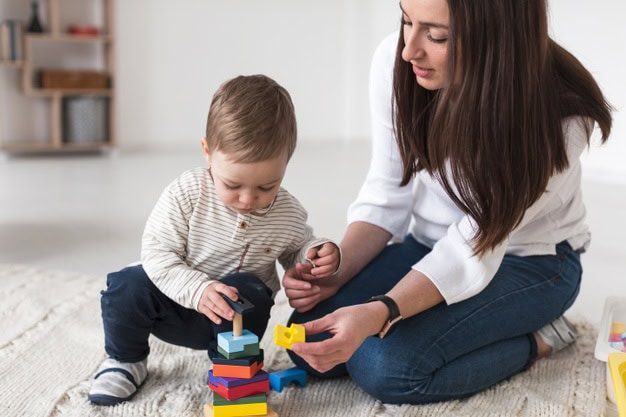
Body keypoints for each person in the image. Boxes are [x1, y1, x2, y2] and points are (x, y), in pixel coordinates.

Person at [282, 0, 612, 405]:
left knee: (383, 366)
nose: (409, 49)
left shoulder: (560, 116)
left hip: (534, 262)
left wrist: (384, 310)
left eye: (436, 35)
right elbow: (388, 192)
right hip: (431, 245)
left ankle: (542, 337)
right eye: (406, 21)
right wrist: (341, 268)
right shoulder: (396, 62)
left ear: (496, 38)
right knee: (308, 333)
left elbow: (474, 244)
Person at [88, 74, 341, 406]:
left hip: (234, 320)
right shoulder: (188, 193)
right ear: (207, 152)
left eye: (267, 186)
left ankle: (234, 370)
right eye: (233, 185)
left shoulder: (287, 212)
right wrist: (198, 289)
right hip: (174, 303)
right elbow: (157, 252)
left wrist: (317, 253)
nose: (248, 199)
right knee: (126, 285)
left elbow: (297, 247)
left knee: (251, 290)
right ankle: (125, 360)